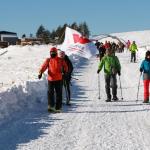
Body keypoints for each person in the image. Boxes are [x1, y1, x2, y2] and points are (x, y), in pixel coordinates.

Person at [38, 47, 68, 112]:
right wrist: (40, 72)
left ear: (56, 53)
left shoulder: (60, 60)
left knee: (58, 93)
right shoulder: (48, 60)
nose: (52, 53)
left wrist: (65, 72)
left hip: (58, 79)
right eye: (51, 52)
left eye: (53, 52)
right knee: (50, 93)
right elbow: (44, 66)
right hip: (50, 79)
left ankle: (58, 107)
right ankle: (51, 106)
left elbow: (65, 66)